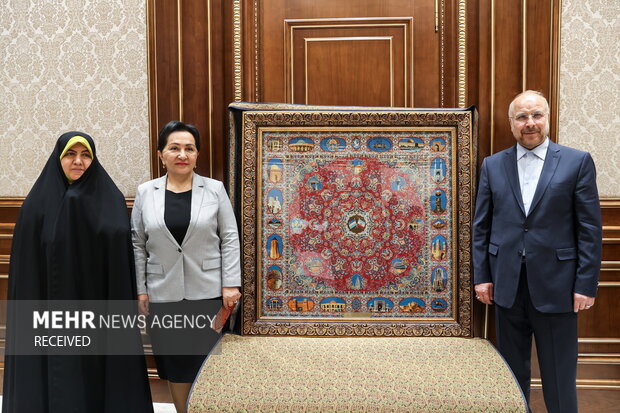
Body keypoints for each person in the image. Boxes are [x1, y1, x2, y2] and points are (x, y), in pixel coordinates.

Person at [3, 132, 154, 412]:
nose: (78, 161)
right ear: (59, 158)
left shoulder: (110, 198)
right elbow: (26, 272)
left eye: (85, 155)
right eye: (71, 154)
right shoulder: (36, 205)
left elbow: (122, 251)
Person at [473, 90, 602, 413]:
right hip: (506, 287)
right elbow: (482, 227)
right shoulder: (492, 165)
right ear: (511, 123)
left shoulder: (577, 162)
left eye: (536, 115)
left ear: (547, 118)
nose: (530, 123)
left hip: (558, 286)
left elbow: (589, 229)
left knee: (559, 376)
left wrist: (585, 284)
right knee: (511, 375)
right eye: (522, 117)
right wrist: (482, 277)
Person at [131, 121, 242, 413]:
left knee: (205, 364)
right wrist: (141, 290)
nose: (182, 154)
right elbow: (137, 244)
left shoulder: (215, 189)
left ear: (197, 155)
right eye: (174, 148)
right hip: (163, 294)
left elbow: (230, 238)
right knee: (176, 365)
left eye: (189, 149)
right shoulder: (146, 192)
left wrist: (231, 283)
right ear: (161, 154)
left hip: (207, 294)